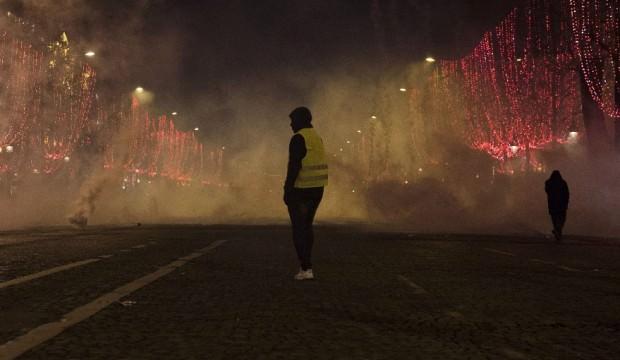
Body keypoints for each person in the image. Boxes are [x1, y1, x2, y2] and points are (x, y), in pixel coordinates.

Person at [283, 107, 328, 280]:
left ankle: (306, 267)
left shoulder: (298, 138)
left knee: (298, 228)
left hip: (301, 190)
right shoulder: (317, 138)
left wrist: (287, 190)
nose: (291, 125)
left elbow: (294, 166)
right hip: (318, 189)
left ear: (301, 121)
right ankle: (307, 266)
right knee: (307, 226)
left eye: (293, 121)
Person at [545, 170, 570, 242]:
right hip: (562, 204)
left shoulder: (548, 182)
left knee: (554, 219)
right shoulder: (563, 183)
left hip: (552, 203)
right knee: (562, 218)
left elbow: (547, 191)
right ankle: (558, 231)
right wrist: (566, 202)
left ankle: (557, 231)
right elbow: (567, 193)